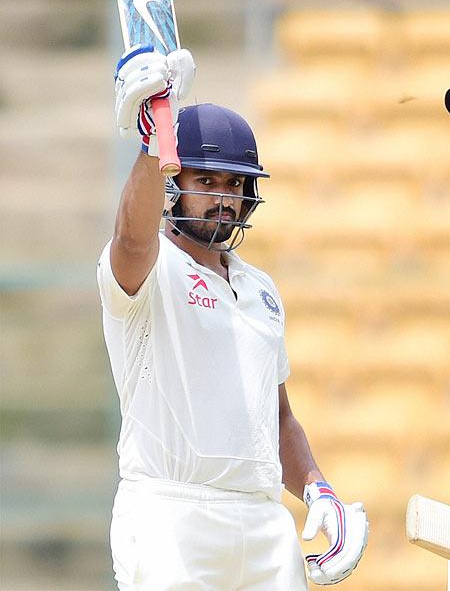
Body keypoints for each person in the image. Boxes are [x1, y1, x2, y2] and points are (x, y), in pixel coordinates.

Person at [97, 45, 369, 590]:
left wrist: (319, 490)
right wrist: (155, 142)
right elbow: (132, 235)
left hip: (263, 519)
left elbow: (279, 417)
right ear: (175, 183)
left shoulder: (260, 289)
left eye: (233, 185)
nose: (223, 199)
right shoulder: (149, 271)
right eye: (207, 182)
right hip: (171, 515)